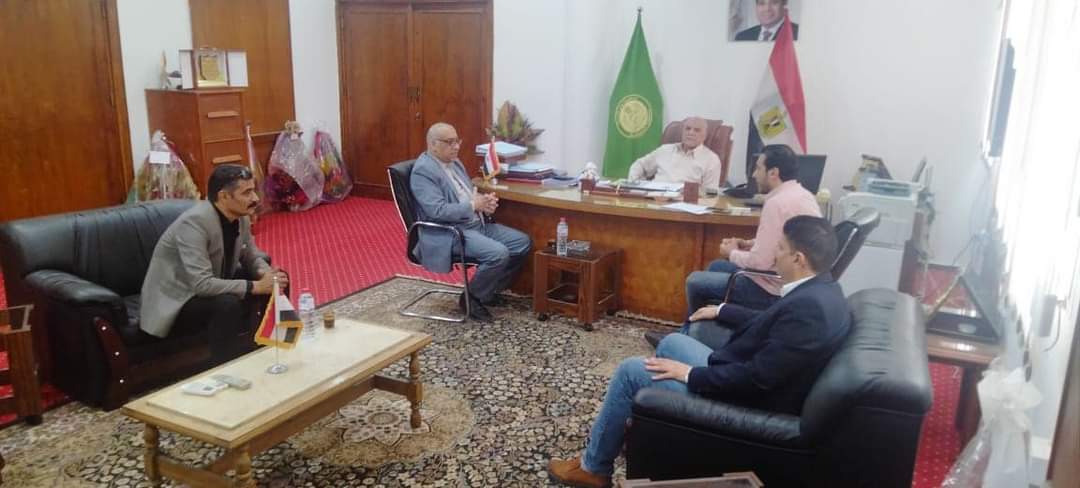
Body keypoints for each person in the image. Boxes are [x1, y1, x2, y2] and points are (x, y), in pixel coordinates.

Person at [548, 216, 851, 487]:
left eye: (781, 248)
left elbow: (758, 379)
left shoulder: (809, 310)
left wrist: (690, 374)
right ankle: (645, 423)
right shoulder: (822, 290)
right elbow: (772, 323)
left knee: (630, 371)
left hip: (742, 399)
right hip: (737, 370)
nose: (774, 254)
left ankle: (593, 469)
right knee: (671, 343)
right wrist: (723, 309)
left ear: (798, 258)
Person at [645, 144, 820, 346]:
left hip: (771, 288)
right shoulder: (802, 195)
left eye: (758, 168)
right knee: (716, 266)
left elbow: (760, 263)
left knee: (695, 281)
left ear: (773, 173)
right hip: (789, 281)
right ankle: (689, 331)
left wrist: (732, 253)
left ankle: (684, 341)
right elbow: (781, 241)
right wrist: (749, 244)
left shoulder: (777, 204)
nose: (754, 175)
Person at [140, 164, 288, 364]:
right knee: (226, 304)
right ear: (224, 196)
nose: (255, 198)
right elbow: (201, 284)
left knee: (279, 280)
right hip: (179, 298)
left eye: (253, 190)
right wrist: (255, 286)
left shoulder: (240, 216)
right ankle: (227, 369)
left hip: (213, 282)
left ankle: (272, 351)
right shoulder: (193, 224)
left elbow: (251, 256)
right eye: (247, 193)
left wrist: (267, 274)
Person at [410, 122, 532, 322]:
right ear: (433, 145)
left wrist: (484, 204)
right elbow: (436, 211)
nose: (456, 146)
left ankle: (488, 291)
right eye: (449, 142)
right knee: (498, 253)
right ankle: (471, 298)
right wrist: (473, 206)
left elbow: (467, 195)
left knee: (522, 243)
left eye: (457, 141)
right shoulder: (423, 171)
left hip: (475, 223)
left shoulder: (454, 162)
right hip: (451, 231)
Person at [627, 116, 724, 193]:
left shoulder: (711, 160)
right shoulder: (665, 149)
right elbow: (640, 165)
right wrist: (634, 185)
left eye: (697, 130)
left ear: (705, 135)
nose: (690, 132)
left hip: (683, 205)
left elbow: (710, 193)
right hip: (653, 198)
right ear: (682, 132)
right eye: (687, 128)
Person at [734, 0, 800, 41]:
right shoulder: (742, 37)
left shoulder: (798, 33)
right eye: (762, 3)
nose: (767, 9)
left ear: (784, 5)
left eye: (774, 2)